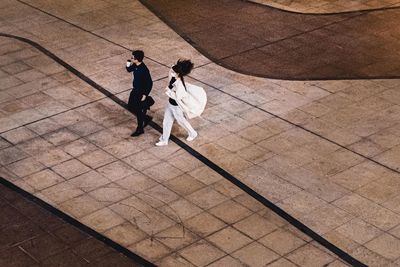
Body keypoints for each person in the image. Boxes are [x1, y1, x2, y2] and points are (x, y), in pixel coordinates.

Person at [156, 59, 198, 146]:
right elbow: (172, 68)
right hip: (170, 104)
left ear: (178, 73)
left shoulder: (180, 85)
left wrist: (169, 92)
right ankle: (164, 140)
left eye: (173, 72)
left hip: (176, 106)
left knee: (181, 121)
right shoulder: (174, 77)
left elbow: (178, 97)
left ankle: (193, 133)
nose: (171, 72)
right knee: (167, 121)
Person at [126, 50, 153, 137]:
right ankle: (146, 117)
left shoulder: (144, 70)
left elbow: (150, 83)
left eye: (132, 57)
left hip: (140, 92)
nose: (131, 58)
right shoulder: (135, 65)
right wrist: (128, 65)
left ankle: (140, 129)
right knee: (130, 106)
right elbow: (129, 70)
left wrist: (145, 95)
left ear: (137, 59)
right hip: (135, 90)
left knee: (138, 110)